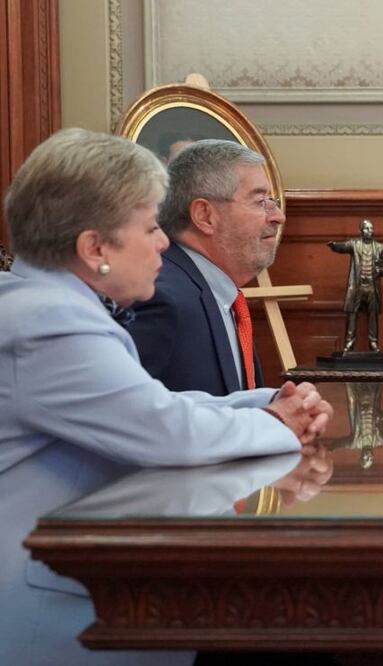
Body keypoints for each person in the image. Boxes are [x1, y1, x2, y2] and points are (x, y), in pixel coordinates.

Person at [0, 128, 332, 665]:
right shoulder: (50, 322)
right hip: (56, 608)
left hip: (86, 576)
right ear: (95, 248)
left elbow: (150, 403)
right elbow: (165, 430)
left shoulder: (41, 304)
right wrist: (280, 423)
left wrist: (263, 403)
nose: (162, 243)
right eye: (151, 226)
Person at [127, 139, 286, 395]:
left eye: (272, 201)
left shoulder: (216, 291)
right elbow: (130, 415)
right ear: (204, 216)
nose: (278, 216)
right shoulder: (163, 300)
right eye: (260, 202)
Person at [327, 219, 383, 352]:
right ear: (361, 230)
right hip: (357, 286)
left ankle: (373, 342)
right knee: (352, 313)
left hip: (372, 286)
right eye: (367, 229)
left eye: (371, 228)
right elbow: (343, 247)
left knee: (373, 315)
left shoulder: (379, 247)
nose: (370, 231)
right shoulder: (354, 244)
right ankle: (349, 342)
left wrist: (381, 271)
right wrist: (334, 246)